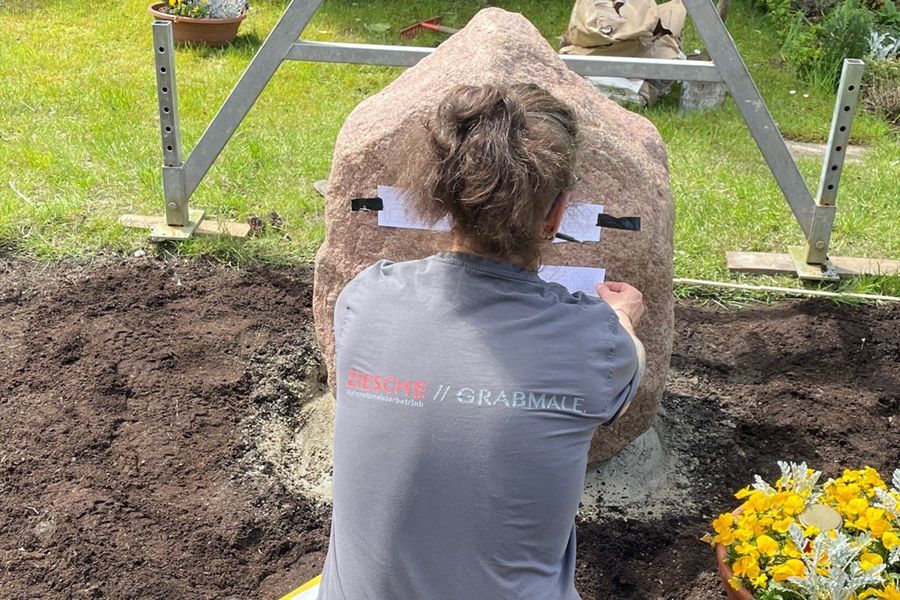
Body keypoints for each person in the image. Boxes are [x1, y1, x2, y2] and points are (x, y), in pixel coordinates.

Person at [317, 83, 647, 600]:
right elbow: (622, 383)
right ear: (556, 215)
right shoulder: (598, 344)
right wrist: (621, 318)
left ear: (444, 197)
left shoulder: (365, 299)